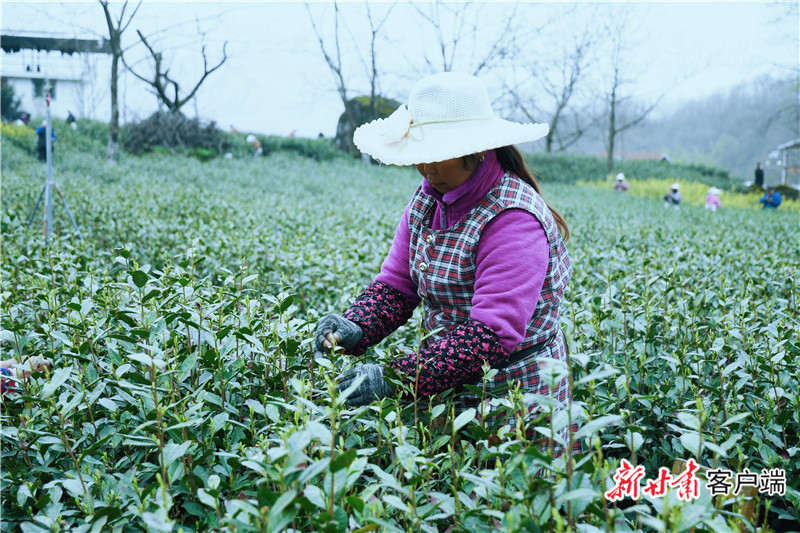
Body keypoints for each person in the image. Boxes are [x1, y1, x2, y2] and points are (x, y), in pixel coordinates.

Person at [314, 72, 577, 453]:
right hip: (444, 381)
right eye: (418, 157)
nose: (424, 168)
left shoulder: (513, 219)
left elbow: (488, 338)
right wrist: (355, 326)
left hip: (515, 395)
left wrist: (392, 377)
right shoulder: (426, 203)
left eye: (435, 155)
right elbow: (397, 286)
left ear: (476, 149)